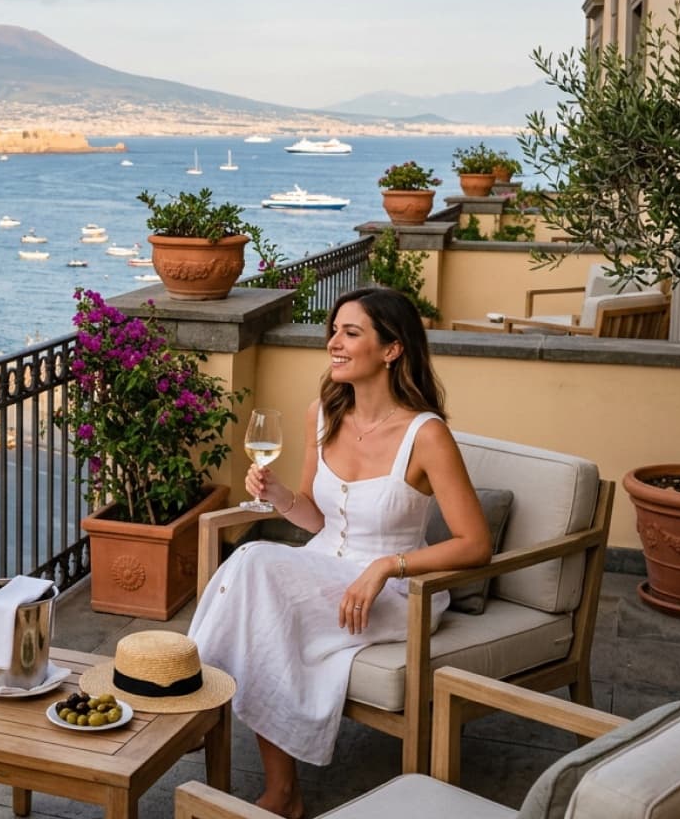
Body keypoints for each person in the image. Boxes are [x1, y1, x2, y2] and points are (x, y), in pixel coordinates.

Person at [188, 287, 491, 819]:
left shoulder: (426, 435)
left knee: (255, 567)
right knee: (258, 587)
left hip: (396, 591)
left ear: (391, 349)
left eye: (351, 333)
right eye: (334, 331)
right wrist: (279, 495)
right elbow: (315, 518)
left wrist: (386, 567)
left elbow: (476, 544)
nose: (334, 342)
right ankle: (275, 784)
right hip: (325, 568)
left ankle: (191, 701)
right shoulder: (322, 415)